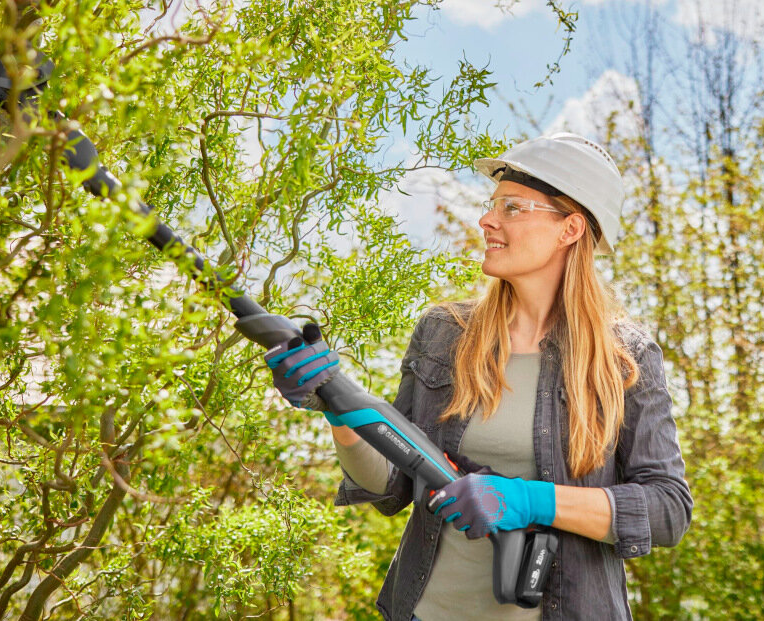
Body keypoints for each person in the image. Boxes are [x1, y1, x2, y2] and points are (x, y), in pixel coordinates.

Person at [266, 133, 693, 620]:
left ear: (570, 229)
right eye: (492, 205)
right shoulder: (446, 333)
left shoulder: (624, 358)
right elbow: (389, 485)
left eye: (512, 208)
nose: (487, 220)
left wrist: (527, 500)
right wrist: (335, 405)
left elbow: (667, 509)